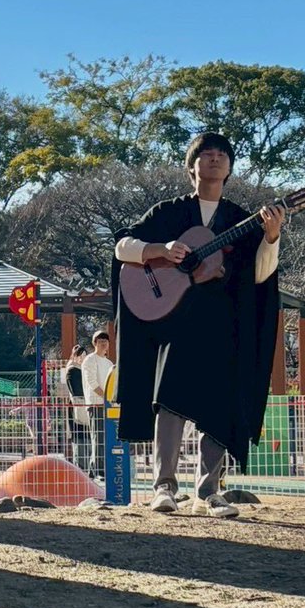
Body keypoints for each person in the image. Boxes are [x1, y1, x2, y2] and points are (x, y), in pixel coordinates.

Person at [112, 132, 283, 518]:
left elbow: (260, 276)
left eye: (223, 154)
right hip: (176, 323)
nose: (215, 158)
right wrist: (161, 249)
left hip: (224, 325)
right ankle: (164, 487)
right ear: (191, 166)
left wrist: (271, 236)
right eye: (207, 153)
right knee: (169, 399)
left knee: (220, 404)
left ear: (230, 168)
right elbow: (123, 247)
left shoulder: (241, 220)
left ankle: (209, 492)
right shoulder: (168, 212)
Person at [80, 331, 114, 479]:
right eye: (100, 341)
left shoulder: (109, 363)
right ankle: (98, 470)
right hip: (95, 404)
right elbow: (92, 382)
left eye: (105, 341)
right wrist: (106, 397)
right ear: (94, 343)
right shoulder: (89, 360)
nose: (103, 344)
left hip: (108, 405)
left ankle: (96, 469)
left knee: (106, 437)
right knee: (98, 437)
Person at [61, 345, 90, 472]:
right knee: (81, 438)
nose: (82, 358)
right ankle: (81, 467)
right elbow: (77, 391)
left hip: (82, 407)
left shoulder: (78, 370)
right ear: (75, 356)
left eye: (84, 356)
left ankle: (84, 467)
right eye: (80, 355)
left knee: (84, 437)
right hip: (78, 408)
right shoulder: (73, 370)